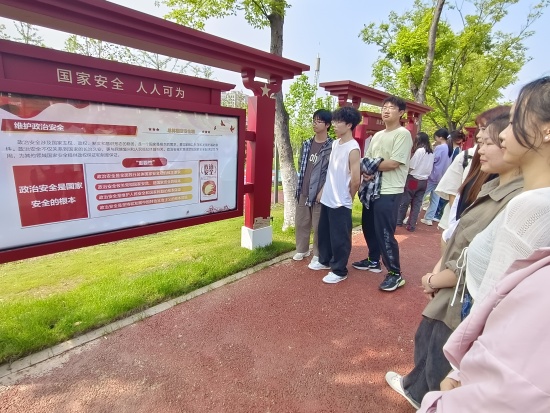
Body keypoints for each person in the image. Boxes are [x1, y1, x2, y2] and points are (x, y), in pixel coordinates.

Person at [385, 107, 523, 409]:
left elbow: (483, 261)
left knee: (442, 360)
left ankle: (429, 399)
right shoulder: (493, 186)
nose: (479, 147)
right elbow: (459, 238)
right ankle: (417, 391)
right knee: (429, 342)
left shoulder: (520, 202)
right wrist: (437, 274)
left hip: (462, 296)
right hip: (450, 286)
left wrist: (435, 279)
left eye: (490, 140)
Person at [417, 248, 550, 413]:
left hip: (463, 310)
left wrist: (432, 281)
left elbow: (511, 388)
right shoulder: (540, 269)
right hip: (472, 346)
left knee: (435, 365)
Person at [352, 96, 412, 291]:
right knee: (368, 226)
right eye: (384, 107)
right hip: (372, 187)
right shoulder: (377, 135)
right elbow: (367, 160)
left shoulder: (402, 134)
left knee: (385, 232)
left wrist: (370, 167)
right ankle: (373, 260)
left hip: (389, 190)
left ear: (401, 112)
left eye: (391, 108)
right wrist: (367, 170)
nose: (386, 110)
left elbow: (393, 163)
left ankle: (395, 273)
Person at [308, 106, 361, 284]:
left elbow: (355, 180)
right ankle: (324, 261)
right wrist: (324, 190)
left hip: (341, 201)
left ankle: (339, 270)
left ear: (349, 125)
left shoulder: (353, 148)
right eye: (335, 121)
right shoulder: (336, 143)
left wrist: (348, 197)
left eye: (339, 122)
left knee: (340, 238)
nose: (335, 125)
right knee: (324, 233)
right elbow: (331, 171)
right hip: (328, 198)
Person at [293, 109, 333, 263]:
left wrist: (323, 190)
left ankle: (318, 253)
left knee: (318, 225)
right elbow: (301, 165)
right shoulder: (307, 144)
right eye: (314, 121)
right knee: (301, 221)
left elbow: (331, 172)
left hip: (319, 192)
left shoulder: (332, 146)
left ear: (327, 125)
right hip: (304, 190)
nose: (315, 124)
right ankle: (302, 249)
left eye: (319, 121)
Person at [396, 132, 434, 231]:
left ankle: (399, 221)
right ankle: (411, 225)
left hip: (414, 179)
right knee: (417, 204)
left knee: (405, 200)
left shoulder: (420, 151)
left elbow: (412, 166)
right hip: (424, 181)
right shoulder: (431, 152)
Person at [420, 129, 450, 226]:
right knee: (435, 199)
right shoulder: (450, 148)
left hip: (433, 176)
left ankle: (413, 217)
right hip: (442, 177)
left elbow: (433, 159)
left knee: (421, 196)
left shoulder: (440, 148)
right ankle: (429, 218)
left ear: (440, 137)